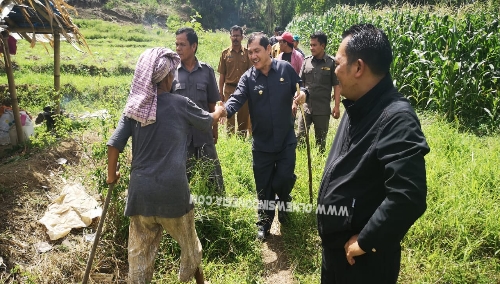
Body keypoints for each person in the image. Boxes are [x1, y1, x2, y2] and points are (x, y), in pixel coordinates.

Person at [317, 24, 430, 283]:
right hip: (336, 256)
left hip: (361, 263)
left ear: (358, 68)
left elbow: (408, 196)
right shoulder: (358, 104)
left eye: (338, 62)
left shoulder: (396, 118)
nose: (335, 69)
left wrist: (366, 240)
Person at [107, 47, 226, 284]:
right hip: (173, 193)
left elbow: (113, 146)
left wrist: (112, 176)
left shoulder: (134, 109)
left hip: (141, 195)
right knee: (189, 245)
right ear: (168, 77)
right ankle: (195, 279)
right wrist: (220, 110)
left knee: (140, 255)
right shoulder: (180, 104)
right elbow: (208, 120)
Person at [223, 32, 306, 241]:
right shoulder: (248, 78)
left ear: (269, 49)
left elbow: (300, 84)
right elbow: (235, 99)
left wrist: (303, 93)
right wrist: (223, 111)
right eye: (250, 52)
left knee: (284, 179)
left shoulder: (285, 70)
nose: (253, 56)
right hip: (262, 144)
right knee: (263, 187)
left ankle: (284, 201)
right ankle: (265, 222)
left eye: (257, 51)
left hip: (286, 140)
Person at [172, 27, 225, 193]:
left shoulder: (206, 71)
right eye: (176, 44)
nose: (178, 48)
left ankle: (218, 212)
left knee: (213, 180)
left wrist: (214, 129)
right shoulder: (171, 71)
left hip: (203, 135)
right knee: (181, 184)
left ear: (193, 46)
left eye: (182, 44)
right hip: (180, 138)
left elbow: (212, 103)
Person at [297, 31, 341, 153]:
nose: (311, 48)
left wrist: (337, 106)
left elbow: (337, 85)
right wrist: (296, 101)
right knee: (300, 137)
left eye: (314, 45)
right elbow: (300, 84)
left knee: (321, 142)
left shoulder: (331, 63)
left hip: (322, 109)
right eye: (310, 45)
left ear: (323, 46)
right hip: (306, 107)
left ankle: (320, 163)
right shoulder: (306, 61)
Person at [217, 25, 252, 137]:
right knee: (229, 117)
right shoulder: (225, 53)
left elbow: (251, 74)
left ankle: (241, 140)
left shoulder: (247, 53)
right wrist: (220, 92)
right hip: (229, 89)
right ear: (230, 37)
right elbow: (222, 74)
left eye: (238, 36)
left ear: (242, 37)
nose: (235, 38)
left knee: (243, 118)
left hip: (244, 90)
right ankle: (230, 140)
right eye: (233, 36)